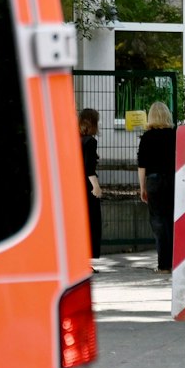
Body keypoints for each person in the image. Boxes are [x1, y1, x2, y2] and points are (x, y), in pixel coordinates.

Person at [135, 101, 177, 271]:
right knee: (172, 220)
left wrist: (142, 187)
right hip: (174, 180)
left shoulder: (147, 137)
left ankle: (163, 264)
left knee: (158, 223)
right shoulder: (175, 135)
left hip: (154, 181)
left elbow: (142, 165)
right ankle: (175, 262)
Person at [79, 107, 103, 261]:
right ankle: (87, 259)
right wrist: (96, 186)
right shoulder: (90, 141)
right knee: (91, 223)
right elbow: (88, 168)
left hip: (74, 185)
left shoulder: (75, 138)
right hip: (86, 187)